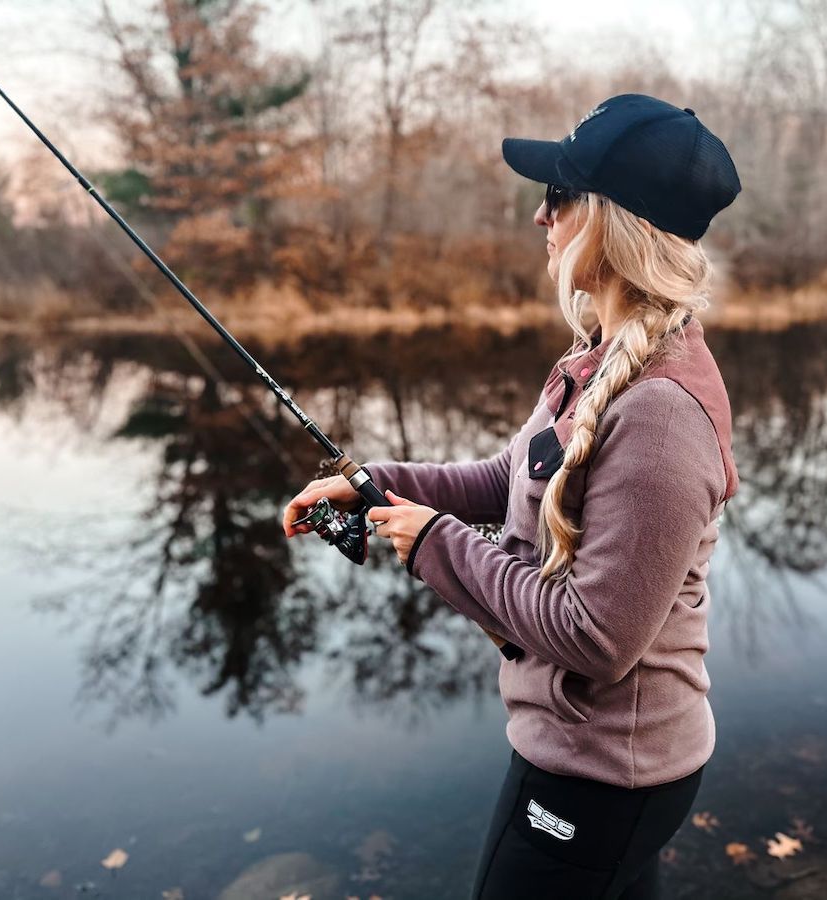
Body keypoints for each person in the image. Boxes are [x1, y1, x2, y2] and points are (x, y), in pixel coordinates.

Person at [283, 93, 741, 900]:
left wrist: (434, 545)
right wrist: (372, 487)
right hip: (591, 762)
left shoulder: (663, 412)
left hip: (605, 778)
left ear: (609, 220)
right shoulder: (598, 361)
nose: (540, 216)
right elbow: (507, 481)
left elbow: (597, 637)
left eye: (558, 197)